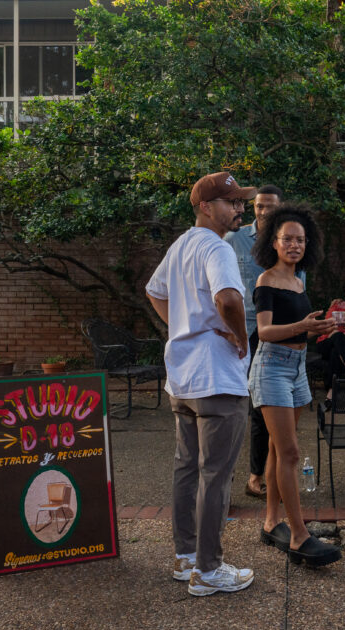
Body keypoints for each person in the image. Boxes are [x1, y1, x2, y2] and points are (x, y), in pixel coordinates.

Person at [145, 171, 256, 596]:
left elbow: (154, 291)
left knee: (187, 467)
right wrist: (240, 337)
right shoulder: (217, 247)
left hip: (183, 377)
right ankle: (208, 570)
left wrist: (182, 326)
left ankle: (185, 557)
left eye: (241, 202)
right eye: (232, 202)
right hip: (216, 377)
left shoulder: (180, 245)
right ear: (206, 207)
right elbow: (228, 298)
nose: (240, 209)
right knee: (216, 474)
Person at [248, 203, 342, 567]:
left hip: (297, 368)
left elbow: (299, 327)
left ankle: (272, 522)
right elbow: (265, 331)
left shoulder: (299, 281)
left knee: (278, 449)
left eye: (300, 240)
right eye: (287, 239)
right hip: (271, 367)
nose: (294, 245)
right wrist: (303, 326)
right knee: (289, 453)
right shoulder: (266, 281)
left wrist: (319, 328)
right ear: (273, 242)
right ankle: (299, 536)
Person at [224, 184, 294, 500]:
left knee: (270, 407)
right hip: (243, 330)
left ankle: (265, 475)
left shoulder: (290, 241)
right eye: (259, 206)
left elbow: (298, 286)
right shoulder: (234, 239)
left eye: (269, 206)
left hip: (279, 332)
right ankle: (239, 479)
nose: (263, 211)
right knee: (241, 405)